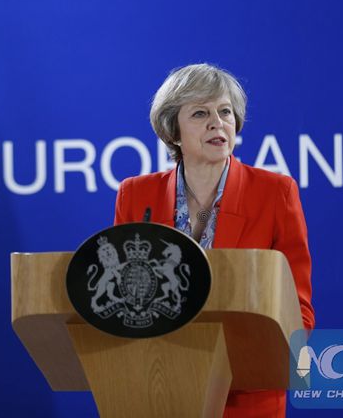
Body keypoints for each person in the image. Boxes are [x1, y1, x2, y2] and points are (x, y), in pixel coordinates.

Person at [114, 63, 314, 417]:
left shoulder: (275, 193)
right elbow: (122, 301)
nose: (217, 123)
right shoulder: (135, 195)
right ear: (172, 130)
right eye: (200, 113)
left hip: (247, 394)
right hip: (158, 388)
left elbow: (299, 311)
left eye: (225, 112)